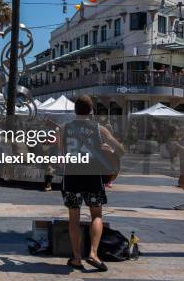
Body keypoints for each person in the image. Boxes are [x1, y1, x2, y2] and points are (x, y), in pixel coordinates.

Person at [61, 95, 124, 272]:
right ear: (91, 111)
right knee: (96, 215)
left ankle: (76, 257)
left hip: (72, 176)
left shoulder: (64, 128)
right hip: (93, 176)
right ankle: (93, 253)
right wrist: (107, 150)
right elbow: (120, 150)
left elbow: (62, 154)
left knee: (74, 218)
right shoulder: (100, 129)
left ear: (75, 110)